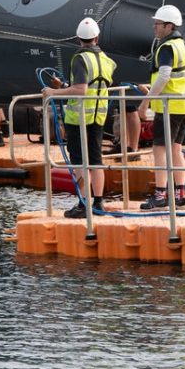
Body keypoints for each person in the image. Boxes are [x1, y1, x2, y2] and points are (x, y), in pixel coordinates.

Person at [42, 17, 116, 218]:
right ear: (97, 38)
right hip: (98, 116)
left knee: (79, 162)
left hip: (79, 119)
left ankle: (84, 204)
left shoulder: (80, 58)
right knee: (96, 160)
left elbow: (82, 89)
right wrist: (65, 87)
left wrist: (53, 92)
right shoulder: (105, 59)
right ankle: (98, 202)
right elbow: (94, 85)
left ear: (78, 39)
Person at [138, 5, 185, 209]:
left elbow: (164, 76)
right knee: (176, 149)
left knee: (159, 150)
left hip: (169, 106)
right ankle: (180, 194)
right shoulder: (183, 45)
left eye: (158, 24)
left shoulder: (167, 47)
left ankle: (160, 196)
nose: (155, 27)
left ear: (169, 26)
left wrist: (146, 103)